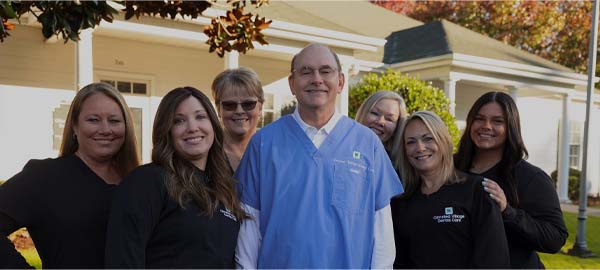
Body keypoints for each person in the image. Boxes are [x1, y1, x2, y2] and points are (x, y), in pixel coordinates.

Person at [235, 43, 404, 268]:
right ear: (292, 84)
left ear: (341, 82)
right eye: (306, 72)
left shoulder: (367, 143)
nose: (316, 79)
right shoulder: (264, 143)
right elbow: (249, 226)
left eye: (325, 71)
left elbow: (381, 230)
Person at [0, 82, 140, 268]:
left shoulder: (139, 182)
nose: (105, 129)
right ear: (74, 126)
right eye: (93, 120)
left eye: (114, 120)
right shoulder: (44, 177)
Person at [105, 87, 246, 268]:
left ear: (213, 124)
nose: (192, 127)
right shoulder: (147, 181)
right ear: (167, 130)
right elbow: (123, 259)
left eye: (200, 117)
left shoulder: (224, 188)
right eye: (179, 121)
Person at [454, 91, 568, 268]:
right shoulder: (450, 169)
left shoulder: (531, 178)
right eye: (479, 118)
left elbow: (555, 238)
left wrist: (508, 211)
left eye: (497, 121)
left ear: (511, 127)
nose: (486, 126)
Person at [392, 110, 510, 268]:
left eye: (428, 139)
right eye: (411, 142)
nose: (420, 147)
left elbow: (494, 260)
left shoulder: (477, 190)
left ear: (443, 141)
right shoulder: (402, 202)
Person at [211, 67, 264, 172]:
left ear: (260, 107)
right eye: (229, 105)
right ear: (218, 109)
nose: (239, 111)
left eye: (248, 104)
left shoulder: (273, 151)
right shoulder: (207, 152)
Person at [355, 90, 408, 173]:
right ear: (363, 113)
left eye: (389, 119)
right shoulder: (341, 148)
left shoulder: (401, 168)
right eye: (375, 113)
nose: (380, 121)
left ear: (397, 127)